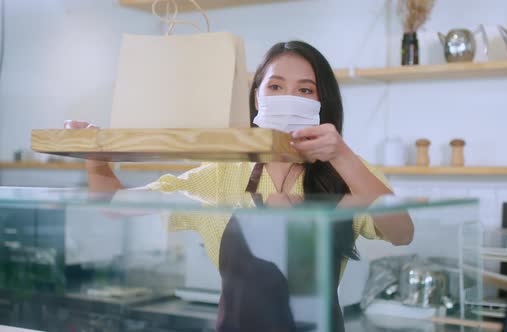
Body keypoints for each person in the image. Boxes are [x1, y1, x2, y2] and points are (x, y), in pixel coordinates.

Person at [65, 40, 413, 331]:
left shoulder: (345, 171)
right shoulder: (221, 175)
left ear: (322, 104)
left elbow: (402, 232)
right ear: (257, 97)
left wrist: (342, 154)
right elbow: (113, 206)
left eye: (305, 89)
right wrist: (95, 155)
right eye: (275, 86)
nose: (288, 96)